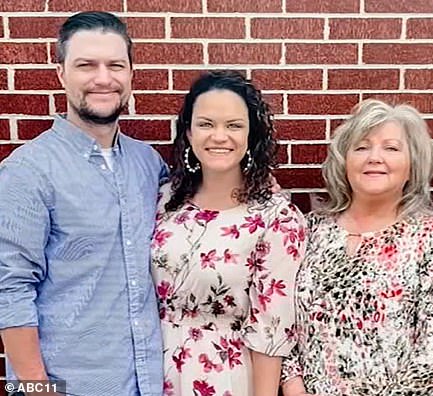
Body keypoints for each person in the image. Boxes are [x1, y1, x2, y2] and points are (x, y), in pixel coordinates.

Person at [0, 11, 166, 396]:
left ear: (130, 74)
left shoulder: (148, 164)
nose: (103, 78)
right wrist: (37, 390)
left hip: (149, 383)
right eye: (86, 65)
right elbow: (9, 290)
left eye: (115, 65)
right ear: (61, 74)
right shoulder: (26, 172)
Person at [280, 99, 433, 396]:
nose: (374, 157)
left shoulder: (428, 237)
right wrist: (292, 385)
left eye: (391, 148)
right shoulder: (309, 230)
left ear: (412, 165)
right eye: (362, 147)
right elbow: (280, 318)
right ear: (344, 160)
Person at [151, 71, 307, 396]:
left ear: (251, 135)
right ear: (189, 133)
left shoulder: (276, 218)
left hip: (225, 376)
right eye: (206, 124)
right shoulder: (163, 200)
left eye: (234, 125)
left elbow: (271, 331)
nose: (219, 136)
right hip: (151, 369)